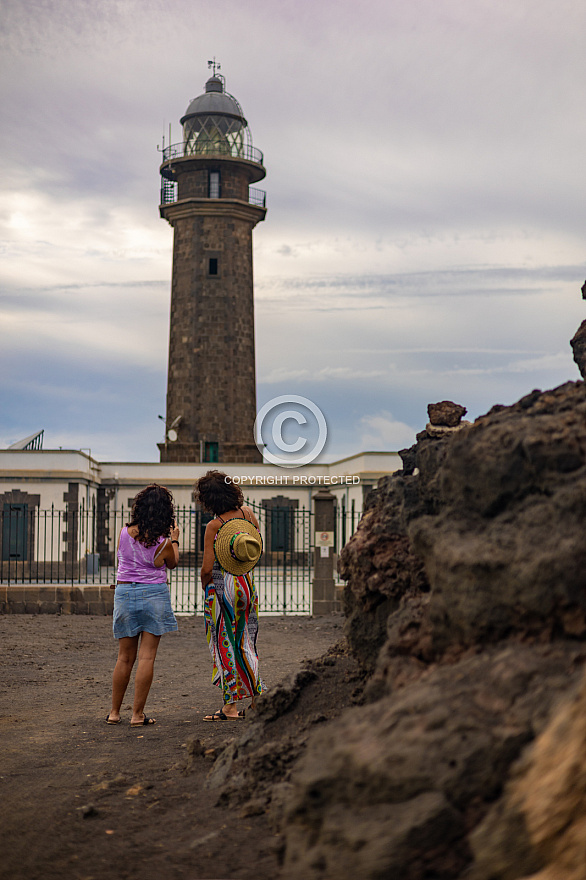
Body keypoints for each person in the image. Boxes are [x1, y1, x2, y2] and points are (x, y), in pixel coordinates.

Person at [106, 484, 180, 727]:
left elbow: (122, 558)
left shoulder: (123, 533)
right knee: (147, 657)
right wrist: (175, 540)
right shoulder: (164, 543)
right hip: (154, 595)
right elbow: (172, 563)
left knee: (124, 657)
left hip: (125, 592)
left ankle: (114, 712)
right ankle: (137, 715)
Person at [195, 470, 265, 720]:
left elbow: (206, 569)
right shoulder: (248, 514)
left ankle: (230, 706)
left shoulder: (215, 526)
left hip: (222, 589)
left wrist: (207, 588)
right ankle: (257, 700)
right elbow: (256, 550)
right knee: (247, 642)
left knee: (224, 644)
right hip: (246, 585)